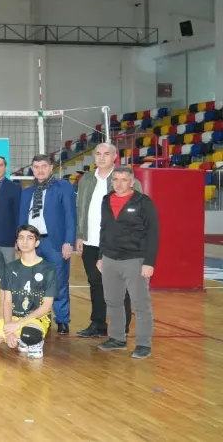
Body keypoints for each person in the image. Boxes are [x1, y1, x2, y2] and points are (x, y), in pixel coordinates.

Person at [75, 143, 142, 339]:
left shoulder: (128, 180)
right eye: (98, 154)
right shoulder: (86, 179)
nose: (101, 157)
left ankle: (121, 328)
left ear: (115, 157)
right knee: (95, 283)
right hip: (90, 242)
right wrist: (80, 234)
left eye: (106, 154)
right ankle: (98, 324)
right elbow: (81, 209)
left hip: (118, 244)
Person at [96, 166, 158, 359]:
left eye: (124, 179)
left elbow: (153, 233)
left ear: (132, 182)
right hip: (109, 259)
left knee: (140, 304)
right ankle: (117, 338)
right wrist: (100, 256)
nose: (119, 183)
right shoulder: (106, 200)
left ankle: (143, 344)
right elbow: (104, 229)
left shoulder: (143, 202)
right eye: (115, 179)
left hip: (135, 260)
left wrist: (149, 262)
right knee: (113, 301)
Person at [0, 225, 56, 359]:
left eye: (30, 238)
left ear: (37, 242)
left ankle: (34, 341)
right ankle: (18, 338)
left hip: (36, 319)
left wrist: (18, 324)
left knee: (29, 334)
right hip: (13, 318)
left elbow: (46, 307)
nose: (24, 241)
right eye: (21, 238)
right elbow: (7, 302)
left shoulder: (48, 269)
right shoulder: (10, 268)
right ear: (16, 242)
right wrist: (8, 330)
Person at [18, 154, 76, 335]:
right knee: (34, 283)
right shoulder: (26, 192)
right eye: (36, 167)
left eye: (44, 166)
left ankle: (62, 319)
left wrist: (68, 241)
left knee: (59, 281)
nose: (40, 170)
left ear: (51, 168)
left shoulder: (63, 187)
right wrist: (19, 240)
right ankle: (41, 317)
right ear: (32, 169)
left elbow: (70, 216)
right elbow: (22, 219)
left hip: (54, 242)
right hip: (31, 243)